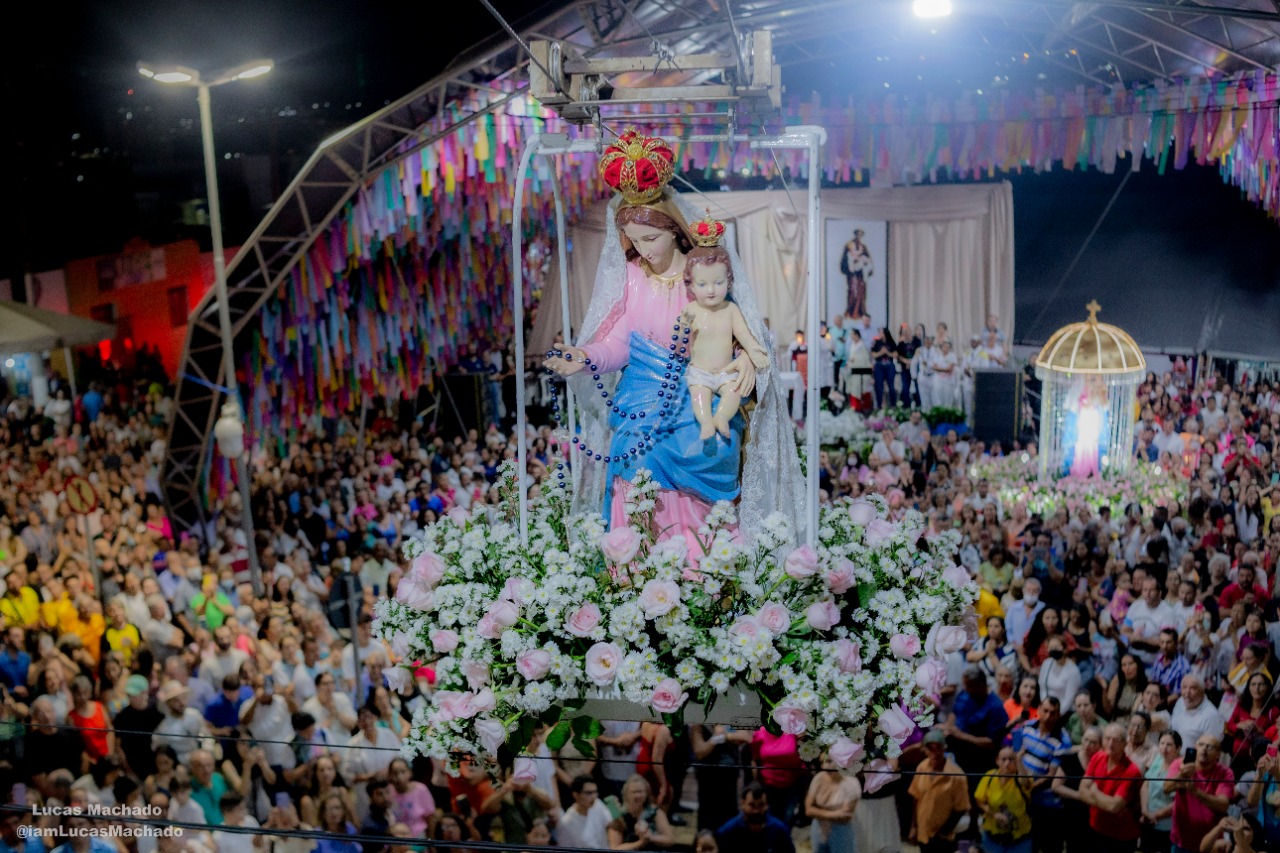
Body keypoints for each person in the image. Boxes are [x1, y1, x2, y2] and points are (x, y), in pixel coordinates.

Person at [546, 129, 801, 552]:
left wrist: (744, 362)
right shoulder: (631, 276)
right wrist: (586, 356)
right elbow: (621, 342)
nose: (643, 250)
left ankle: (700, 563)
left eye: (652, 238)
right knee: (635, 454)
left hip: (700, 389)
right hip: (643, 394)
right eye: (634, 240)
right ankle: (641, 563)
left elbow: (739, 332)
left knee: (709, 443)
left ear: (674, 229)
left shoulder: (703, 276)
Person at [678, 217, 770, 440]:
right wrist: (682, 330)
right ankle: (706, 422)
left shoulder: (730, 310)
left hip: (726, 372)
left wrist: (755, 351)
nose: (711, 290)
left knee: (733, 393)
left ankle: (721, 417)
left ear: (729, 281)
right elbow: (680, 341)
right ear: (690, 284)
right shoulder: (691, 310)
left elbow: (744, 335)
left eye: (718, 282)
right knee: (698, 395)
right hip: (699, 371)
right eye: (702, 284)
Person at [1078, 723, 1143, 853]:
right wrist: (1105, 801)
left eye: (1116, 740)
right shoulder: (1098, 757)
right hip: (1095, 827)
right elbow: (1081, 792)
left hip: (1120, 836)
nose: (1110, 743)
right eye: (1107, 738)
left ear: (1125, 743)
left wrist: (1094, 791)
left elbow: (1114, 807)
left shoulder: (1131, 771)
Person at [1166, 734, 1234, 853]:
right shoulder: (1180, 764)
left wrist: (1195, 792)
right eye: (1201, 744)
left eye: (1210, 746)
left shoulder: (1225, 773)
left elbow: (1223, 805)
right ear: (1196, 747)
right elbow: (1166, 788)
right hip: (1181, 840)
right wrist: (1181, 775)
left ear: (1218, 754)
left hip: (1210, 844)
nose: (1204, 749)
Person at [909, 729, 971, 853]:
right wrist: (914, 827)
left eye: (938, 747)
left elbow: (962, 807)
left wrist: (944, 832)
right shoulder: (922, 767)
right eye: (930, 748)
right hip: (923, 832)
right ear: (925, 750)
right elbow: (916, 798)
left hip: (943, 837)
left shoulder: (956, 775)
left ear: (944, 749)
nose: (935, 752)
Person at [975, 746, 1034, 853]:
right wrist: (993, 814)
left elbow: (1026, 784)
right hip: (993, 840)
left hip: (1019, 841)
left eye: (1011, 760)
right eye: (1003, 759)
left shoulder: (1022, 777)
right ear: (997, 761)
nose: (1007, 763)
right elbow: (979, 800)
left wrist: (1019, 761)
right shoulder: (989, 777)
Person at [714, 781, 794, 853]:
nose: (756, 811)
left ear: (767, 805)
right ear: (742, 804)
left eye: (761, 805)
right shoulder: (727, 832)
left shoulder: (780, 831)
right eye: (752, 805)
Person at [804, 753, 860, 853]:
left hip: (841, 831)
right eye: (822, 762)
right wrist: (833, 813)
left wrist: (818, 812)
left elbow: (844, 816)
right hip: (818, 828)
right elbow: (808, 810)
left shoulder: (851, 782)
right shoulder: (819, 778)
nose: (824, 766)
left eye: (829, 761)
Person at [608, 773, 674, 851]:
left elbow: (669, 839)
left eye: (641, 792)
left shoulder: (655, 812)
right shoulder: (619, 817)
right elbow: (615, 848)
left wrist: (651, 837)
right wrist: (640, 843)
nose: (638, 795)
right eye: (634, 792)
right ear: (626, 794)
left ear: (647, 793)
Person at [1143, 731, 1183, 853]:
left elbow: (1178, 802)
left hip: (1167, 825)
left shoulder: (1181, 768)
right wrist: (1144, 810)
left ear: (1178, 748)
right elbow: (1146, 785)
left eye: (1169, 745)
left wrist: (1156, 815)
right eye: (1162, 743)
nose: (1164, 748)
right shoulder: (1158, 759)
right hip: (1148, 819)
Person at [557, 775, 613, 850]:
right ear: (576, 795)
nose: (594, 797)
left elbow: (613, 825)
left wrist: (615, 811)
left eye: (595, 792)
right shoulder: (565, 823)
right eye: (589, 793)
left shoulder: (598, 804)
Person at [840, 227, 873, 319]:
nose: (859, 237)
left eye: (860, 235)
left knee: (861, 293)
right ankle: (851, 312)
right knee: (852, 292)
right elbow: (845, 260)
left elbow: (867, 260)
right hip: (852, 274)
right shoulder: (849, 246)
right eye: (857, 235)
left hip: (861, 275)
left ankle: (860, 312)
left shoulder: (863, 247)